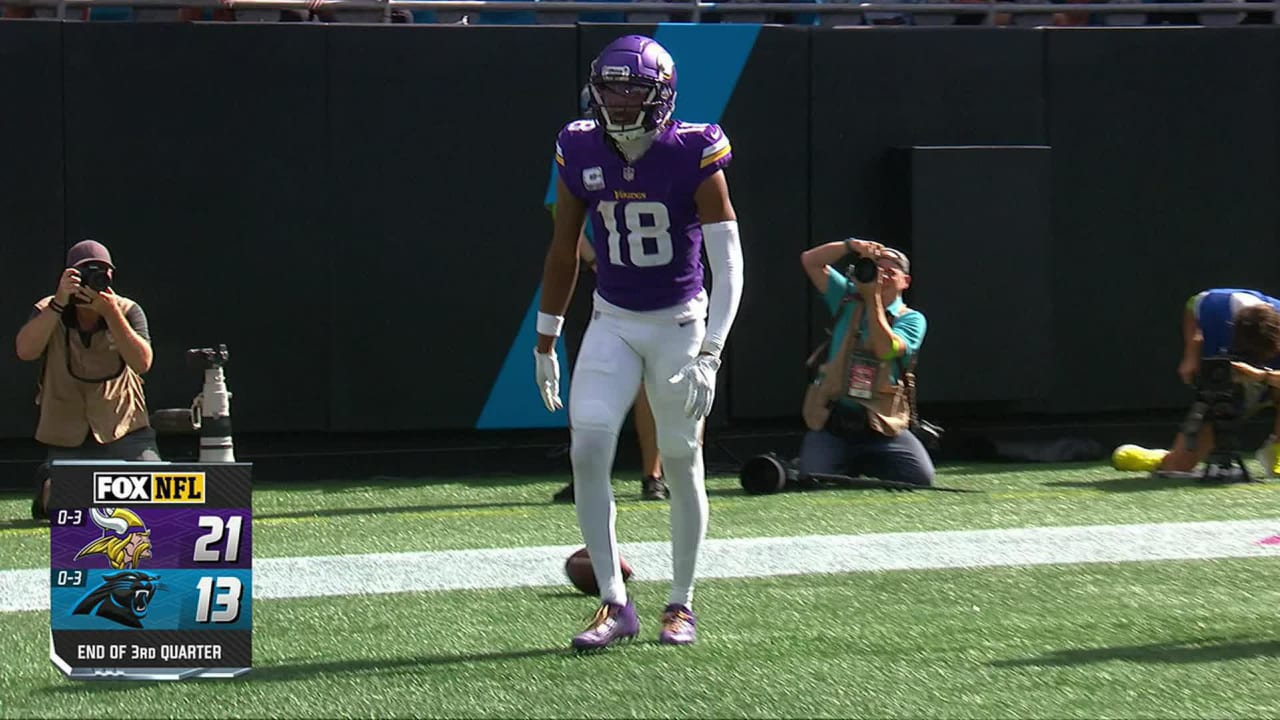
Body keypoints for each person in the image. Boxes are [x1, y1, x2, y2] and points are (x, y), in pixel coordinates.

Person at [532, 35, 744, 650]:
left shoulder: (694, 149)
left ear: (662, 96)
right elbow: (563, 246)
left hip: (680, 321)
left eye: (633, 90)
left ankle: (681, 603)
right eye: (610, 88)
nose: (619, 102)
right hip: (614, 319)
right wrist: (545, 339)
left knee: (681, 461)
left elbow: (728, 263)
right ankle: (613, 602)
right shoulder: (578, 144)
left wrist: (712, 350)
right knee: (589, 446)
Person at [16, 240, 160, 520]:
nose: (92, 281)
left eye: (101, 273)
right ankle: (51, 486)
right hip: (68, 438)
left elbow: (142, 363)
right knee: (63, 501)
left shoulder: (127, 310)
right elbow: (25, 351)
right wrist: (59, 303)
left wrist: (110, 313)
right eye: (85, 274)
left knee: (153, 501)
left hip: (123, 432)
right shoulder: (48, 309)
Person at [797, 238, 933, 487]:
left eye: (890, 272)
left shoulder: (912, 320)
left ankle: (860, 462)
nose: (882, 276)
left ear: (906, 281)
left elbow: (885, 349)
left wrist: (873, 300)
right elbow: (811, 261)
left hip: (881, 425)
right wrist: (851, 246)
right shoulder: (847, 299)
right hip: (834, 420)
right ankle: (841, 461)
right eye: (877, 269)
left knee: (919, 478)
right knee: (812, 478)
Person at [549, 225, 669, 504]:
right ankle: (587, 477)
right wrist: (594, 261)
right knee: (587, 378)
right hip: (587, 281)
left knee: (645, 378)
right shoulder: (568, 178)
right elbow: (564, 221)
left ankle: (653, 476)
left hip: (638, 275)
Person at [1112, 288, 1280, 476]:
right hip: (1231, 382)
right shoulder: (1219, 305)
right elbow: (1193, 306)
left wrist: (1262, 376)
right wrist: (1191, 352)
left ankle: (1277, 451)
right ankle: (1164, 458)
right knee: (1178, 466)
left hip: (1271, 379)